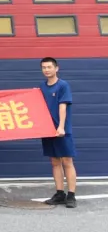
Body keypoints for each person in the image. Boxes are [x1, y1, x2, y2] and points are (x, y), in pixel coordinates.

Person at [40, 57, 77, 208]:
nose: (46, 70)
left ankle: (71, 196)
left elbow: (63, 107)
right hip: (47, 130)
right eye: (44, 67)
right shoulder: (41, 87)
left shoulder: (63, 85)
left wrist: (61, 127)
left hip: (61, 130)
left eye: (49, 67)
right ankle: (60, 193)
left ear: (56, 68)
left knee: (67, 161)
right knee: (55, 162)